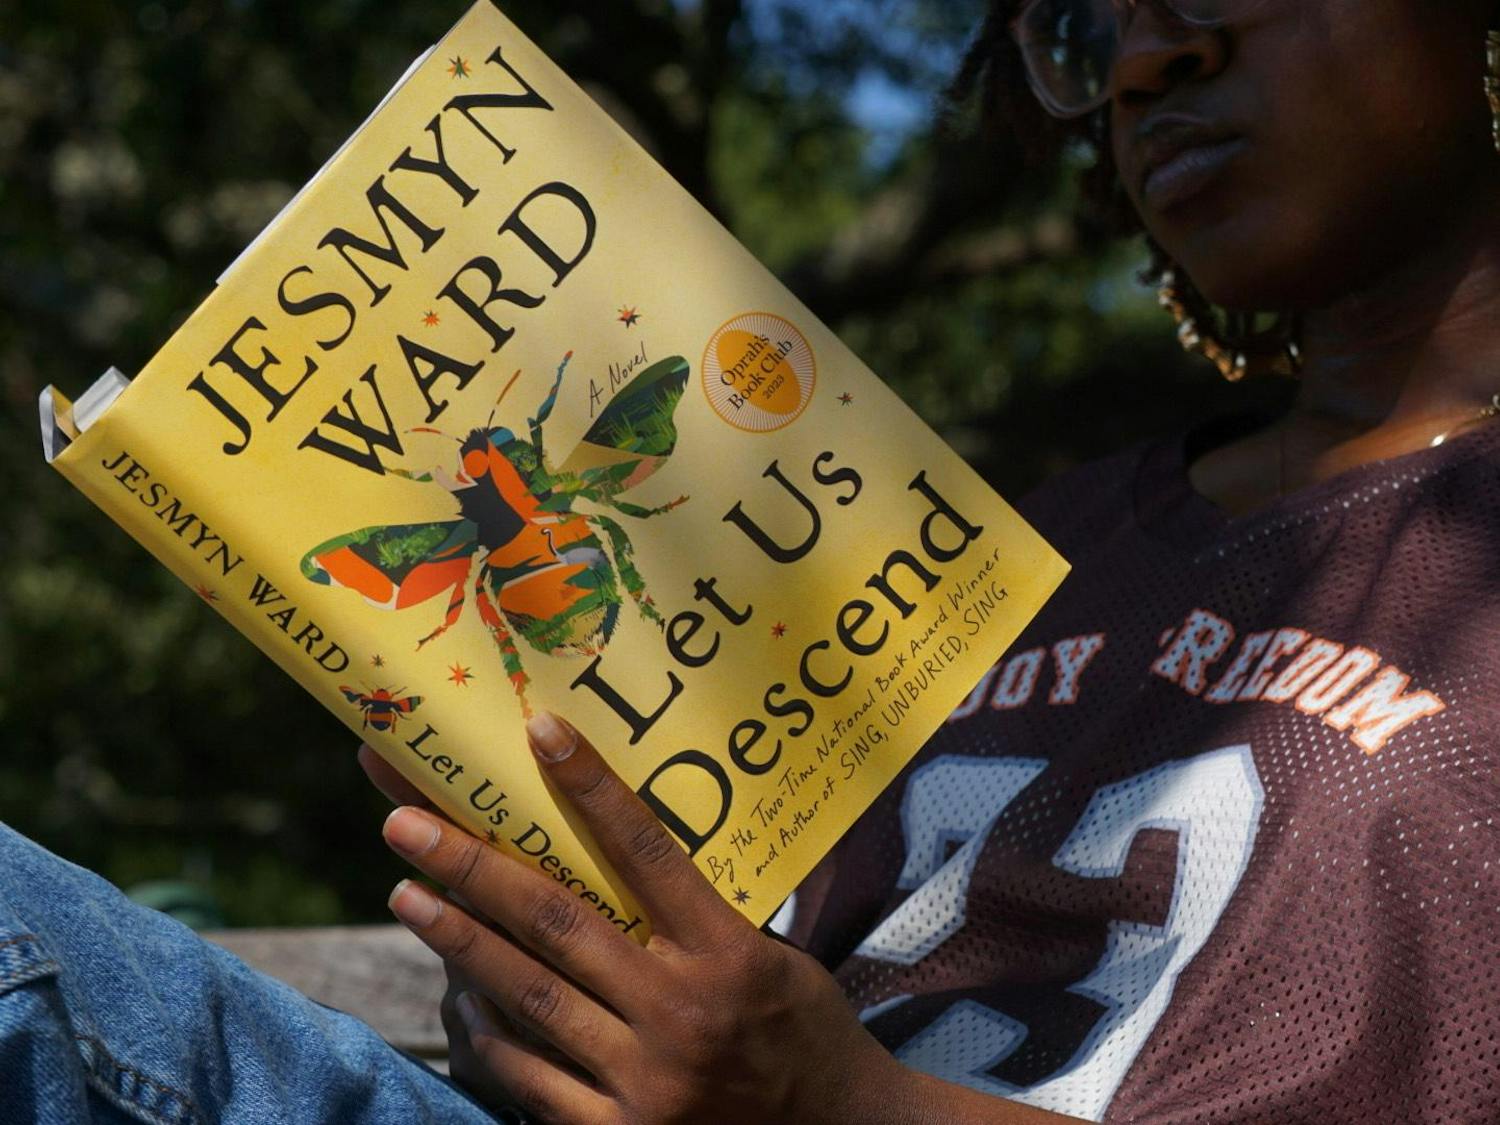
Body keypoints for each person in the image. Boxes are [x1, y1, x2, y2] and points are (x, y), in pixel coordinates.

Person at [4, 0, 1499, 1121]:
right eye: (1075, 22)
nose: (1135, 59)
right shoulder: (1033, 541)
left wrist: (834, 1104)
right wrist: (569, 995)